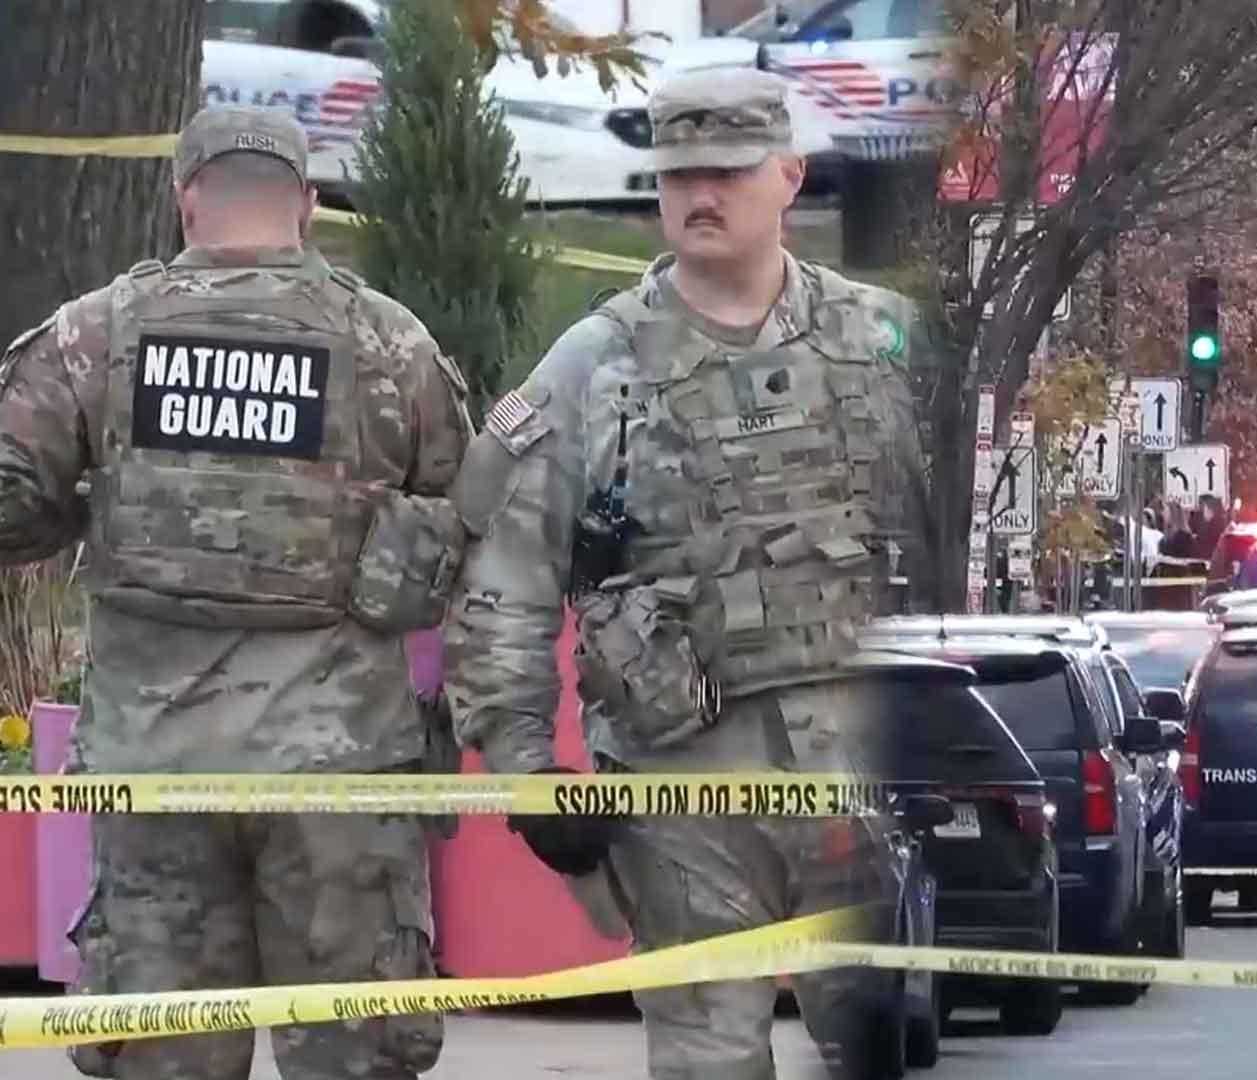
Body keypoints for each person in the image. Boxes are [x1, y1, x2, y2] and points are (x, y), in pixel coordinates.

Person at [443, 69, 928, 1080]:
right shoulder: (593, 366)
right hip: (683, 794)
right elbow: (506, 581)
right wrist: (528, 777)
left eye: (728, 171)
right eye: (678, 174)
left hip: (858, 784)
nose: (701, 194)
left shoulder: (885, 344)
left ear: (790, 176)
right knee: (709, 1059)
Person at [0, 106, 470, 1080]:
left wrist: (91, 514)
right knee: (353, 1055)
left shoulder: (98, 334)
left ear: (185, 200)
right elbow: (466, 518)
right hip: (341, 768)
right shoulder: (389, 342)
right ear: (305, 205)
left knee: (165, 1059)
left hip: (154, 761)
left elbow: (8, 497)